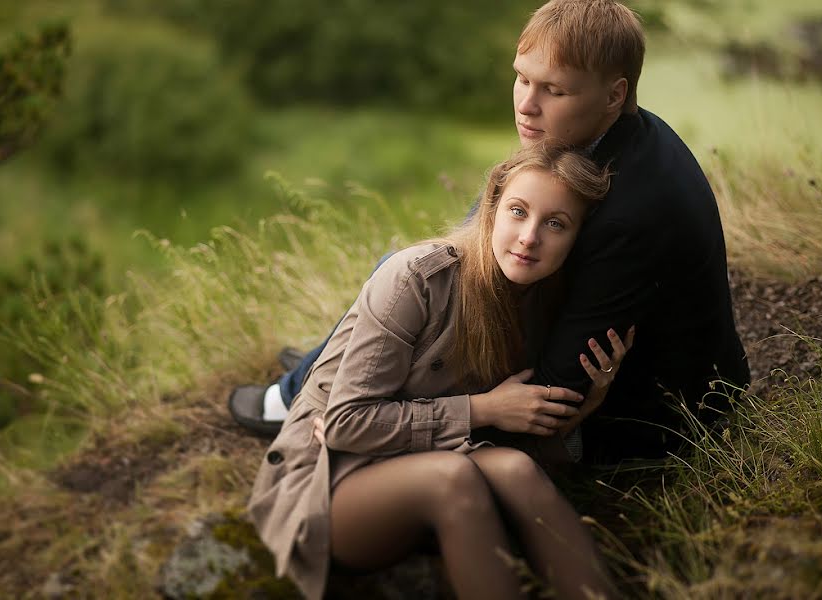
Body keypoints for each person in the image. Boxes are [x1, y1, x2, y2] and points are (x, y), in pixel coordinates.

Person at [230, 0, 750, 463]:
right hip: (602, 361)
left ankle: (310, 390)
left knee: (416, 275)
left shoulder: (631, 215)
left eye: (554, 90)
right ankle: (336, 368)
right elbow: (467, 249)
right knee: (418, 268)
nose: (527, 103)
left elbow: (555, 391)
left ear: (615, 95)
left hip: (649, 423)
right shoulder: (611, 131)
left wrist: (411, 414)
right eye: (523, 78)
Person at [249, 141, 628, 600]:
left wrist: (589, 400)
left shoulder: (546, 301)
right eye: (517, 211)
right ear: (491, 209)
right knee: (450, 480)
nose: (530, 236)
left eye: (555, 223)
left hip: (436, 451)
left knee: (517, 470)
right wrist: (481, 409)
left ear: (576, 237)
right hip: (334, 477)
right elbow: (346, 425)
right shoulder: (417, 278)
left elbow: (528, 437)